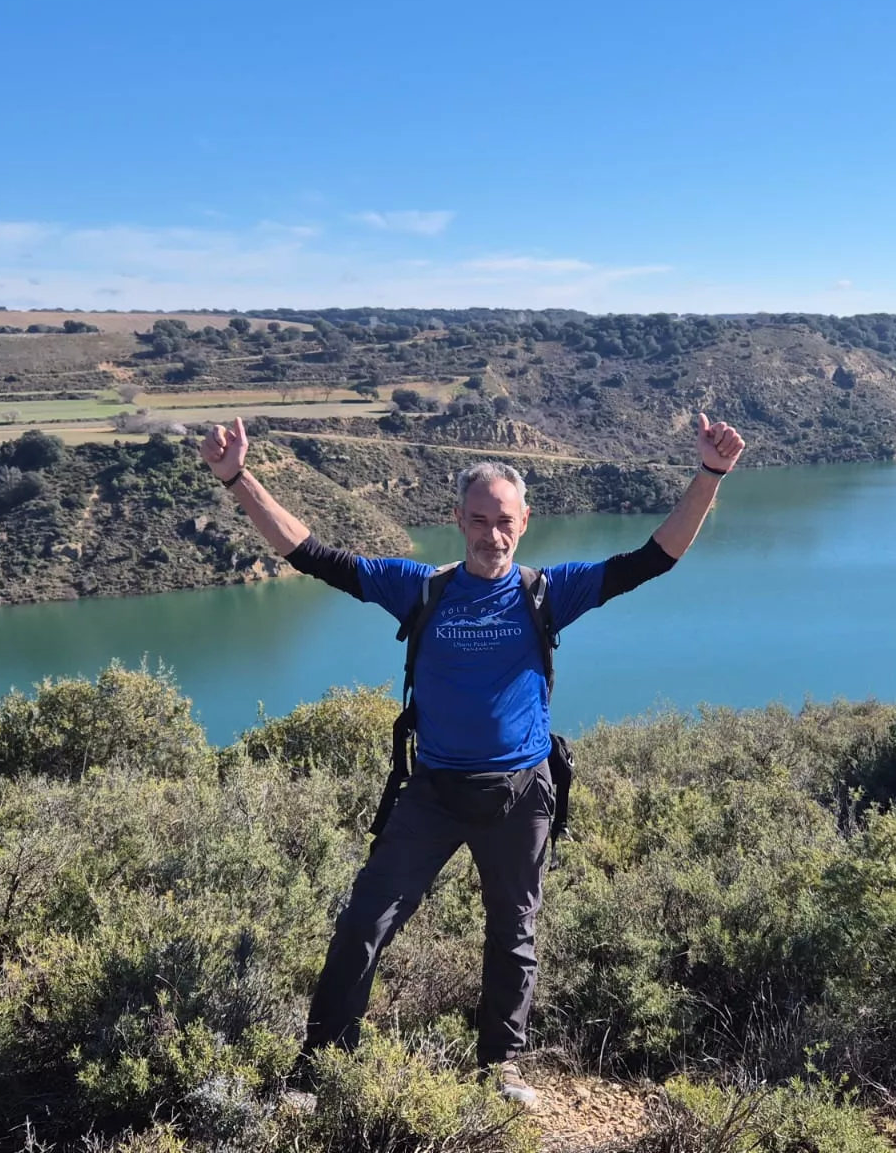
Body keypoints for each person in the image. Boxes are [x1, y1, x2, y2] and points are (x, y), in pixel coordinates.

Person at [199, 411, 746, 1108]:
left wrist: (710, 474)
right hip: (431, 793)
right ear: (458, 518)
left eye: (506, 521)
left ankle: (499, 1069)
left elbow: (655, 557)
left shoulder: (549, 592)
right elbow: (309, 553)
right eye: (481, 519)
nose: (494, 534)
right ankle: (318, 1071)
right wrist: (236, 477)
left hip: (521, 793)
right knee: (364, 923)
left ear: (526, 521)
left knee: (513, 934)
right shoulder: (421, 588)